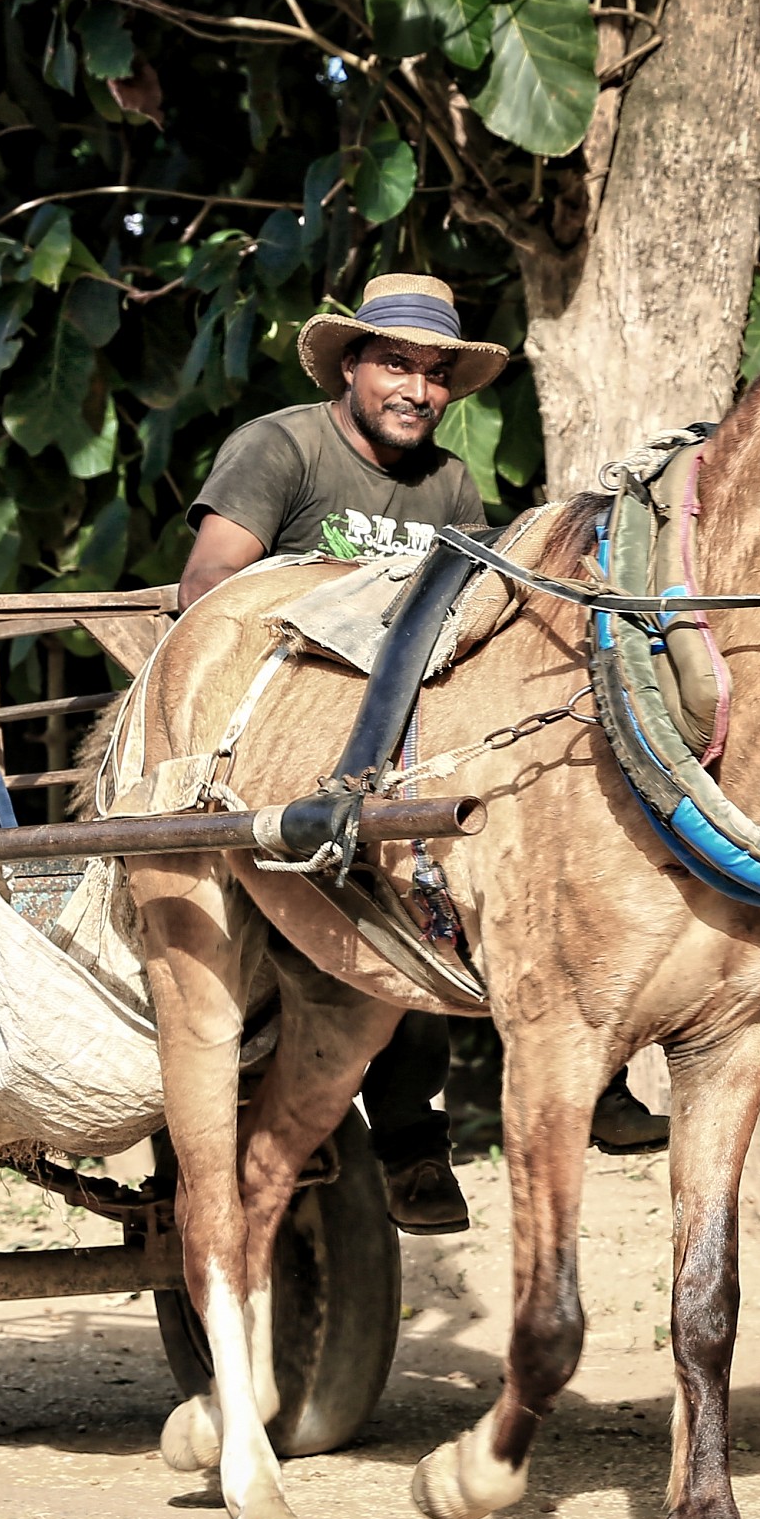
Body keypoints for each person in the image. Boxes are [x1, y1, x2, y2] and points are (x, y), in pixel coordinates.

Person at [179, 274, 510, 1236]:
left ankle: (435, 1124)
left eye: (436, 373)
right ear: (353, 366)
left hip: (392, 747)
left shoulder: (448, 484)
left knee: (449, 876)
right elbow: (209, 589)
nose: (418, 388)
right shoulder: (281, 447)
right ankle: (404, 1134)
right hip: (275, 728)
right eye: (398, 363)